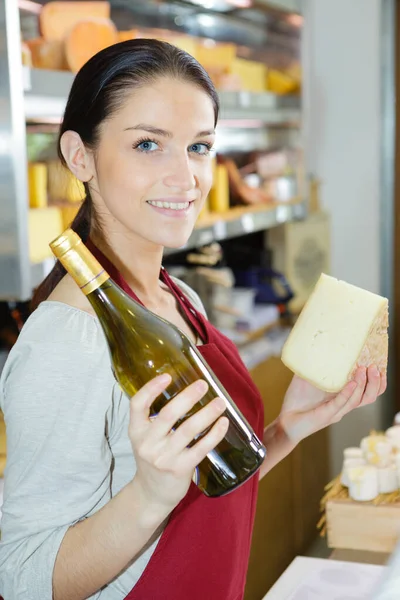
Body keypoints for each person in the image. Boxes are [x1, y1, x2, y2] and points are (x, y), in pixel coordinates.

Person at [0, 39, 385, 600]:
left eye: (200, 146)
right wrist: (149, 494)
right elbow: (22, 578)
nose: (186, 178)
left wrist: (286, 430)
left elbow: (208, 490)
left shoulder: (177, 298)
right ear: (79, 155)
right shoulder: (70, 338)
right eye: (148, 144)